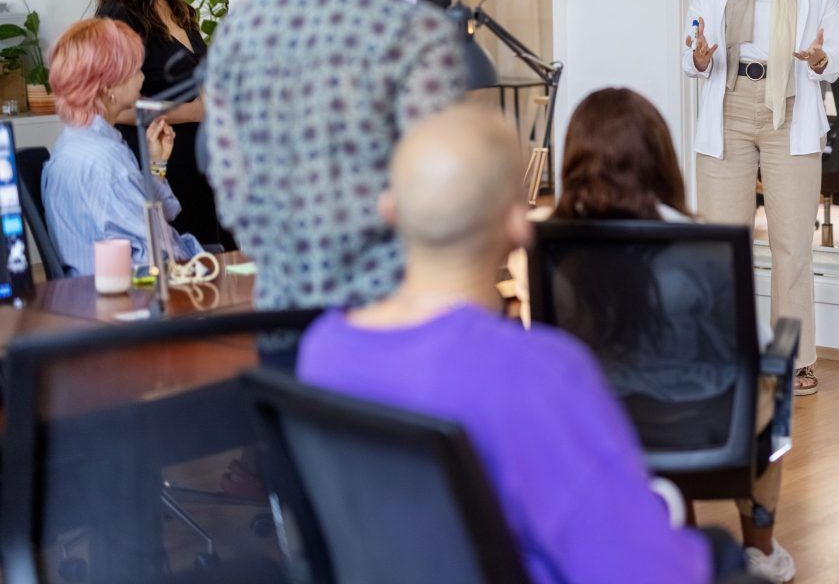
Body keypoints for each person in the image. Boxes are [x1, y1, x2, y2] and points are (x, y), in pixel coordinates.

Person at [299, 104, 733, 584]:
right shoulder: (540, 373)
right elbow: (644, 573)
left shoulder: (322, 351)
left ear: (390, 210)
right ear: (518, 225)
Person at [205, 0, 467, 319]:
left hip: (279, 312)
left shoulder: (244, 32)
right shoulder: (416, 35)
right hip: (387, 319)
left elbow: (231, 191)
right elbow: (438, 202)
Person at [553, 87, 795, 583]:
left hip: (597, 418)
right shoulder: (704, 244)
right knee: (770, 375)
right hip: (703, 420)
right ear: (661, 159)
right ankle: (760, 549)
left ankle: (660, 532)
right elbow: (754, 339)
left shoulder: (551, 247)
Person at [684, 0, 839, 396]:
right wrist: (699, 56)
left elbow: (835, 55)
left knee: (791, 243)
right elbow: (691, 50)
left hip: (789, 106)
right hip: (729, 103)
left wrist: (821, 59)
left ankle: (795, 358)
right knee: (723, 241)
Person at [96, 0, 228, 248]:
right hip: (165, 168)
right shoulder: (120, 18)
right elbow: (115, 108)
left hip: (207, 166)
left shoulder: (179, 8)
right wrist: (194, 111)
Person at [42, 18, 203, 274]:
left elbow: (150, 220)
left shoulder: (80, 142)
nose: (142, 79)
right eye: (136, 70)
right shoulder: (105, 163)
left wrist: (155, 166)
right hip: (140, 297)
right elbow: (155, 256)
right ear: (108, 87)